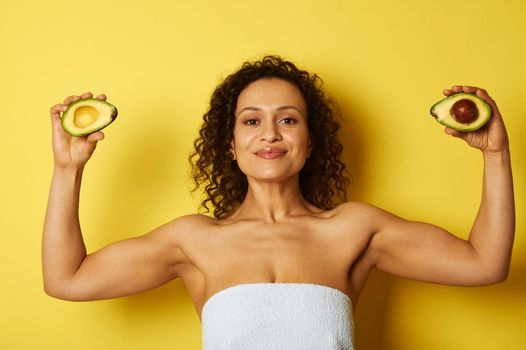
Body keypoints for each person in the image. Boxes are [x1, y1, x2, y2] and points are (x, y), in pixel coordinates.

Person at [42, 55, 515, 349]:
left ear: (311, 142)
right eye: (251, 121)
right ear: (229, 144)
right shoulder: (194, 240)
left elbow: (483, 264)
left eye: (288, 120)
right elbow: (67, 279)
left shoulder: (354, 229)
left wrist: (495, 154)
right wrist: (69, 169)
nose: (269, 133)